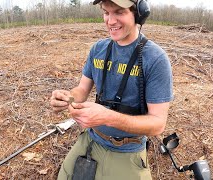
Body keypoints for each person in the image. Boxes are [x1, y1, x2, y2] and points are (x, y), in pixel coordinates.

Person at [50, 0, 173, 179]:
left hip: (128, 149)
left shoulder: (155, 59)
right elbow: (82, 91)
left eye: (119, 12)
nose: (110, 21)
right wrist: (67, 97)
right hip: (92, 139)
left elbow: (157, 124)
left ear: (139, 13)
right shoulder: (98, 49)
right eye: (106, 13)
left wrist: (108, 117)